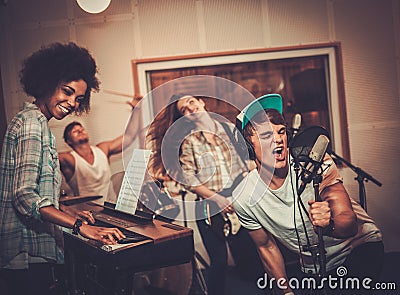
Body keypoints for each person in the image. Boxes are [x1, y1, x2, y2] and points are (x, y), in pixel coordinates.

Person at [0, 42, 125, 295]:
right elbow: (24, 197)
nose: (71, 103)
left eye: (78, 99)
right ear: (47, 82)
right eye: (66, 92)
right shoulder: (32, 124)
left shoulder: (35, 121)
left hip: (30, 250)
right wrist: (82, 228)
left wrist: (68, 212)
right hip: (25, 254)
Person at [232, 94, 384, 294]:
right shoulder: (244, 197)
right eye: (266, 135)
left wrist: (329, 224)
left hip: (358, 248)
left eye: (281, 132)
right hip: (315, 267)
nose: (278, 139)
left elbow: (348, 222)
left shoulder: (315, 163)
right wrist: (286, 292)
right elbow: (266, 247)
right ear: (248, 147)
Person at [147, 94, 264, 295]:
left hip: (239, 205)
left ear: (202, 103)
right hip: (210, 208)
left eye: (191, 102)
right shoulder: (189, 142)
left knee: (251, 262)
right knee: (218, 264)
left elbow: (245, 162)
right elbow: (188, 178)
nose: (190, 108)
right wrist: (216, 198)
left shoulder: (229, 130)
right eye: (184, 109)